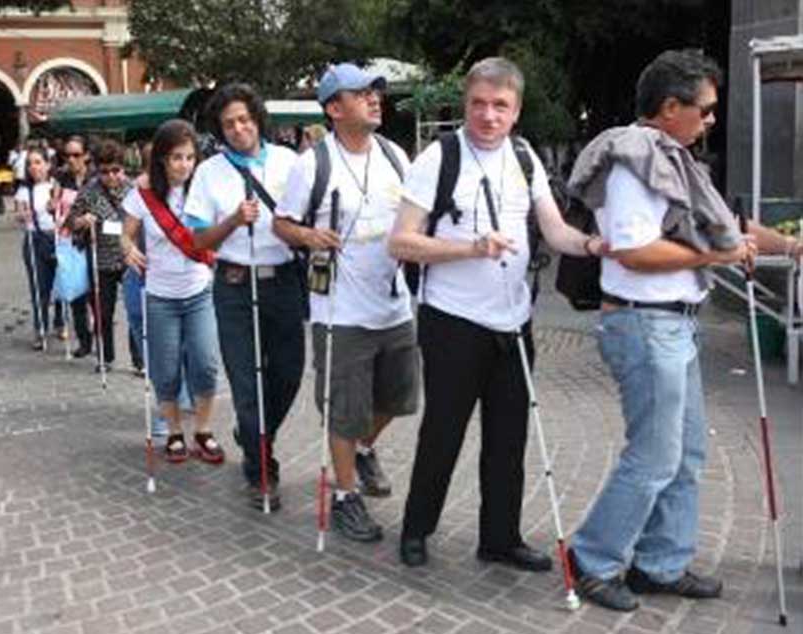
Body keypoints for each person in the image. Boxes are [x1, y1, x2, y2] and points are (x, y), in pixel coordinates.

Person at [564, 49, 802, 612]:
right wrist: (715, 260)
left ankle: (660, 562)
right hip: (645, 324)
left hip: (673, 325)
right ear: (670, 107)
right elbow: (634, 248)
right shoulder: (635, 158)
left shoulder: (675, 161)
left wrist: (789, 245)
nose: (712, 120)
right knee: (654, 456)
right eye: (707, 109)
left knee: (686, 452)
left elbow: (725, 226)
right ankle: (592, 559)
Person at [389, 57, 607, 570]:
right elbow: (399, 241)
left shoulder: (525, 156)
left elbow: (554, 232)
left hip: (514, 322)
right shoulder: (437, 158)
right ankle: (417, 529)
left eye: (500, 106)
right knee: (443, 431)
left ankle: (500, 539)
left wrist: (597, 244)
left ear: (516, 110)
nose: (488, 116)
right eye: (479, 104)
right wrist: (468, 248)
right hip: (452, 322)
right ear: (465, 104)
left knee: (509, 437)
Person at [273, 63, 418, 542]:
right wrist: (309, 234)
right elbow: (282, 224)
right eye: (361, 94)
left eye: (375, 92)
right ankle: (345, 497)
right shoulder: (313, 164)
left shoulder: (396, 155)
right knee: (343, 409)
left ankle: (360, 450)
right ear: (335, 108)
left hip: (394, 304)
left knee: (399, 397)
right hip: (340, 311)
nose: (375, 99)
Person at [185, 83, 306, 510]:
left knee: (289, 372)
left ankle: (254, 432)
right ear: (220, 131)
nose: (238, 129)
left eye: (244, 119)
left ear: (257, 119)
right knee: (245, 378)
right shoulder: (209, 172)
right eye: (228, 124)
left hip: (284, 281)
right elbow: (198, 236)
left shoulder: (291, 162)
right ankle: (261, 470)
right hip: (235, 284)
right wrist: (234, 221)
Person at [121, 119, 224, 463]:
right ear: (162, 158)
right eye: (176, 157)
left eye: (190, 157)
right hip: (160, 296)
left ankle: (204, 430)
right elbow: (127, 232)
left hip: (199, 291)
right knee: (165, 370)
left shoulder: (204, 188)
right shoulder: (144, 193)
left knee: (206, 363)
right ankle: (175, 432)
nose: (184, 165)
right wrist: (128, 248)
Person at [66, 140, 131, 371]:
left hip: (129, 257)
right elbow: (70, 222)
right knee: (103, 312)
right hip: (101, 260)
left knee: (135, 310)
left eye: (116, 170)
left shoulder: (133, 189)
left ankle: (140, 359)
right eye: (105, 172)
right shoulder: (89, 190)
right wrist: (82, 221)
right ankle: (106, 357)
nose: (111, 176)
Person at [14, 147, 65, 350]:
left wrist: (58, 208)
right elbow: (18, 213)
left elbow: (66, 209)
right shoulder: (24, 190)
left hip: (57, 238)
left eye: (38, 162)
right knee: (39, 287)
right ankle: (40, 328)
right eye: (30, 163)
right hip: (35, 239)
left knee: (61, 284)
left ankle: (60, 321)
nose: (34, 167)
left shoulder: (57, 186)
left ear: (48, 164)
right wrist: (22, 216)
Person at [54, 135, 95, 359]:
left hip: (97, 242)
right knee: (76, 292)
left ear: (86, 156)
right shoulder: (62, 178)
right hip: (72, 242)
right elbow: (57, 208)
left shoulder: (96, 179)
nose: (71, 159)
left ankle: (101, 335)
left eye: (76, 155)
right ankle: (84, 340)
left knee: (96, 294)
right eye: (67, 155)